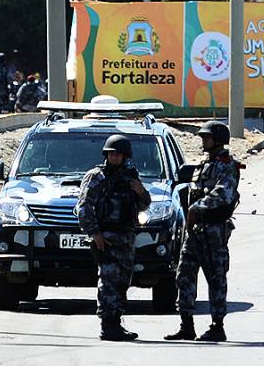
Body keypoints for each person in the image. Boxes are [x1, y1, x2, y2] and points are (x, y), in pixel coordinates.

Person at [166, 121, 240, 342]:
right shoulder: (204, 164)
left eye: (206, 137)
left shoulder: (226, 165)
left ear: (217, 140)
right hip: (195, 230)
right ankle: (186, 325)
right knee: (184, 274)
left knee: (216, 277)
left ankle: (217, 325)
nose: (203, 141)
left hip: (214, 231)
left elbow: (224, 193)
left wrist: (196, 208)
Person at [76, 135, 151, 341]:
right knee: (108, 280)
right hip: (106, 237)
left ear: (125, 156)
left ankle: (116, 321)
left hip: (126, 237)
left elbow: (144, 204)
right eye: (111, 153)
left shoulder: (130, 176)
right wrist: (94, 233)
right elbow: (83, 207)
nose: (114, 157)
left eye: (117, 154)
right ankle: (107, 325)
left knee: (122, 281)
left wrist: (140, 191)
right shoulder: (97, 176)